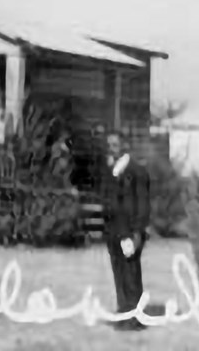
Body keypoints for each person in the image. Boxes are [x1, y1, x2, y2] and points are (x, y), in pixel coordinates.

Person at [100, 131, 150, 332]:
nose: (112, 147)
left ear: (124, 145)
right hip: (113, 232)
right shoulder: (110, 171)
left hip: (129, 232)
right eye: (109, 144)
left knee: (131, 275)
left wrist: (137, 233)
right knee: (119, 275)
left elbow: (143, 205)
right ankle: (123, 314)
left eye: (116, 144)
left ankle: (135, 319)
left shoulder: (137, 171)